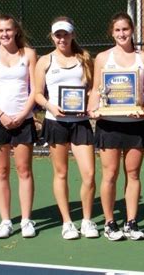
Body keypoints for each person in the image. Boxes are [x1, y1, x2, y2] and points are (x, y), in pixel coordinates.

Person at [87, 12, 144, 241]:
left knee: (133, 173)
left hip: (135, 125)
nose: (122, 34)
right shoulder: (103, 58)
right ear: (112, 33)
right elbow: (97, 89)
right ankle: (109, 222)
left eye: (125, 29)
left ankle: (131, 222)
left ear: (132, 30)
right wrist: (92, 110)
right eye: (117, 30)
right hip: (109, 125)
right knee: (110, 174)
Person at [34, 17, 98, 240]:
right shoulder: (44, 61)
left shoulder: (85, 59)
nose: (62, 38)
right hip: (55, 123)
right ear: (52, 37)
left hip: (80, 124)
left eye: (66, 34)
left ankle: (88, 221)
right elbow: (37, 93)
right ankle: (67, 222)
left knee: (89, 174)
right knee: (61, 173)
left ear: (73, 35)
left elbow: (92, 89)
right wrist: (50, 105)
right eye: (58, 35)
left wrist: (89, 105)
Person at [0, 13, 38, 239]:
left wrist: (23, 115)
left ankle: (26, 220)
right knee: (1, 171)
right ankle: (6, 221)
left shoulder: (29, 54)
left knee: (24, 170)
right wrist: (1, 115)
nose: (4, 34)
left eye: (8, 30)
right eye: (0, 31)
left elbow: (35, 89)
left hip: (24, 121)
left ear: (16, 31)